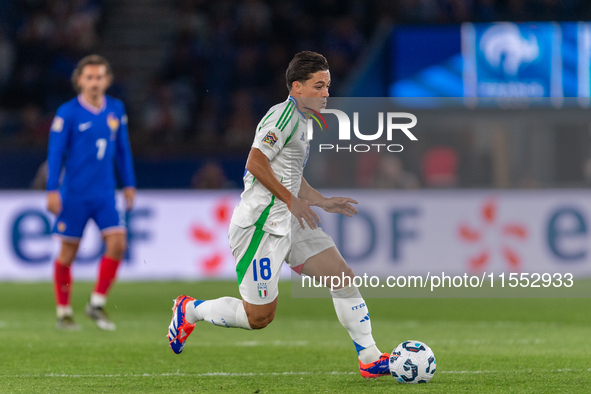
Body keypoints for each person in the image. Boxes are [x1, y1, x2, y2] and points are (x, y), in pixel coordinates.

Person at [167, 51, 390, 379]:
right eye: (319, 86)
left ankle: (369, 358)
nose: (327, 92)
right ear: (297, 88)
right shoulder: (281, 117)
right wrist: (291, 200)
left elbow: (287, 172)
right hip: (261, 227)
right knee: (259, 317)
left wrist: (319, 200)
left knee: (341, 276)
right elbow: (255, 162)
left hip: (290, 220)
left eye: (328, 85)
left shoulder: (304, 121)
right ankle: (190, 309)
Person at [46, 54, 136, 331]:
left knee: (118, 244)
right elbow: (56, 152)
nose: (94, 82)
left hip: (105, 193)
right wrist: (51, 189)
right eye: (89, 77)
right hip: (74, 194)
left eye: (99, 77)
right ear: (79, 81)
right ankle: (63, 312)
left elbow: (122, 149)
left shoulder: (116, 109)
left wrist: (129, 184)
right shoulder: (68, 112)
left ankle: (96, 303)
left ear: (107, 80)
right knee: (68, 253)